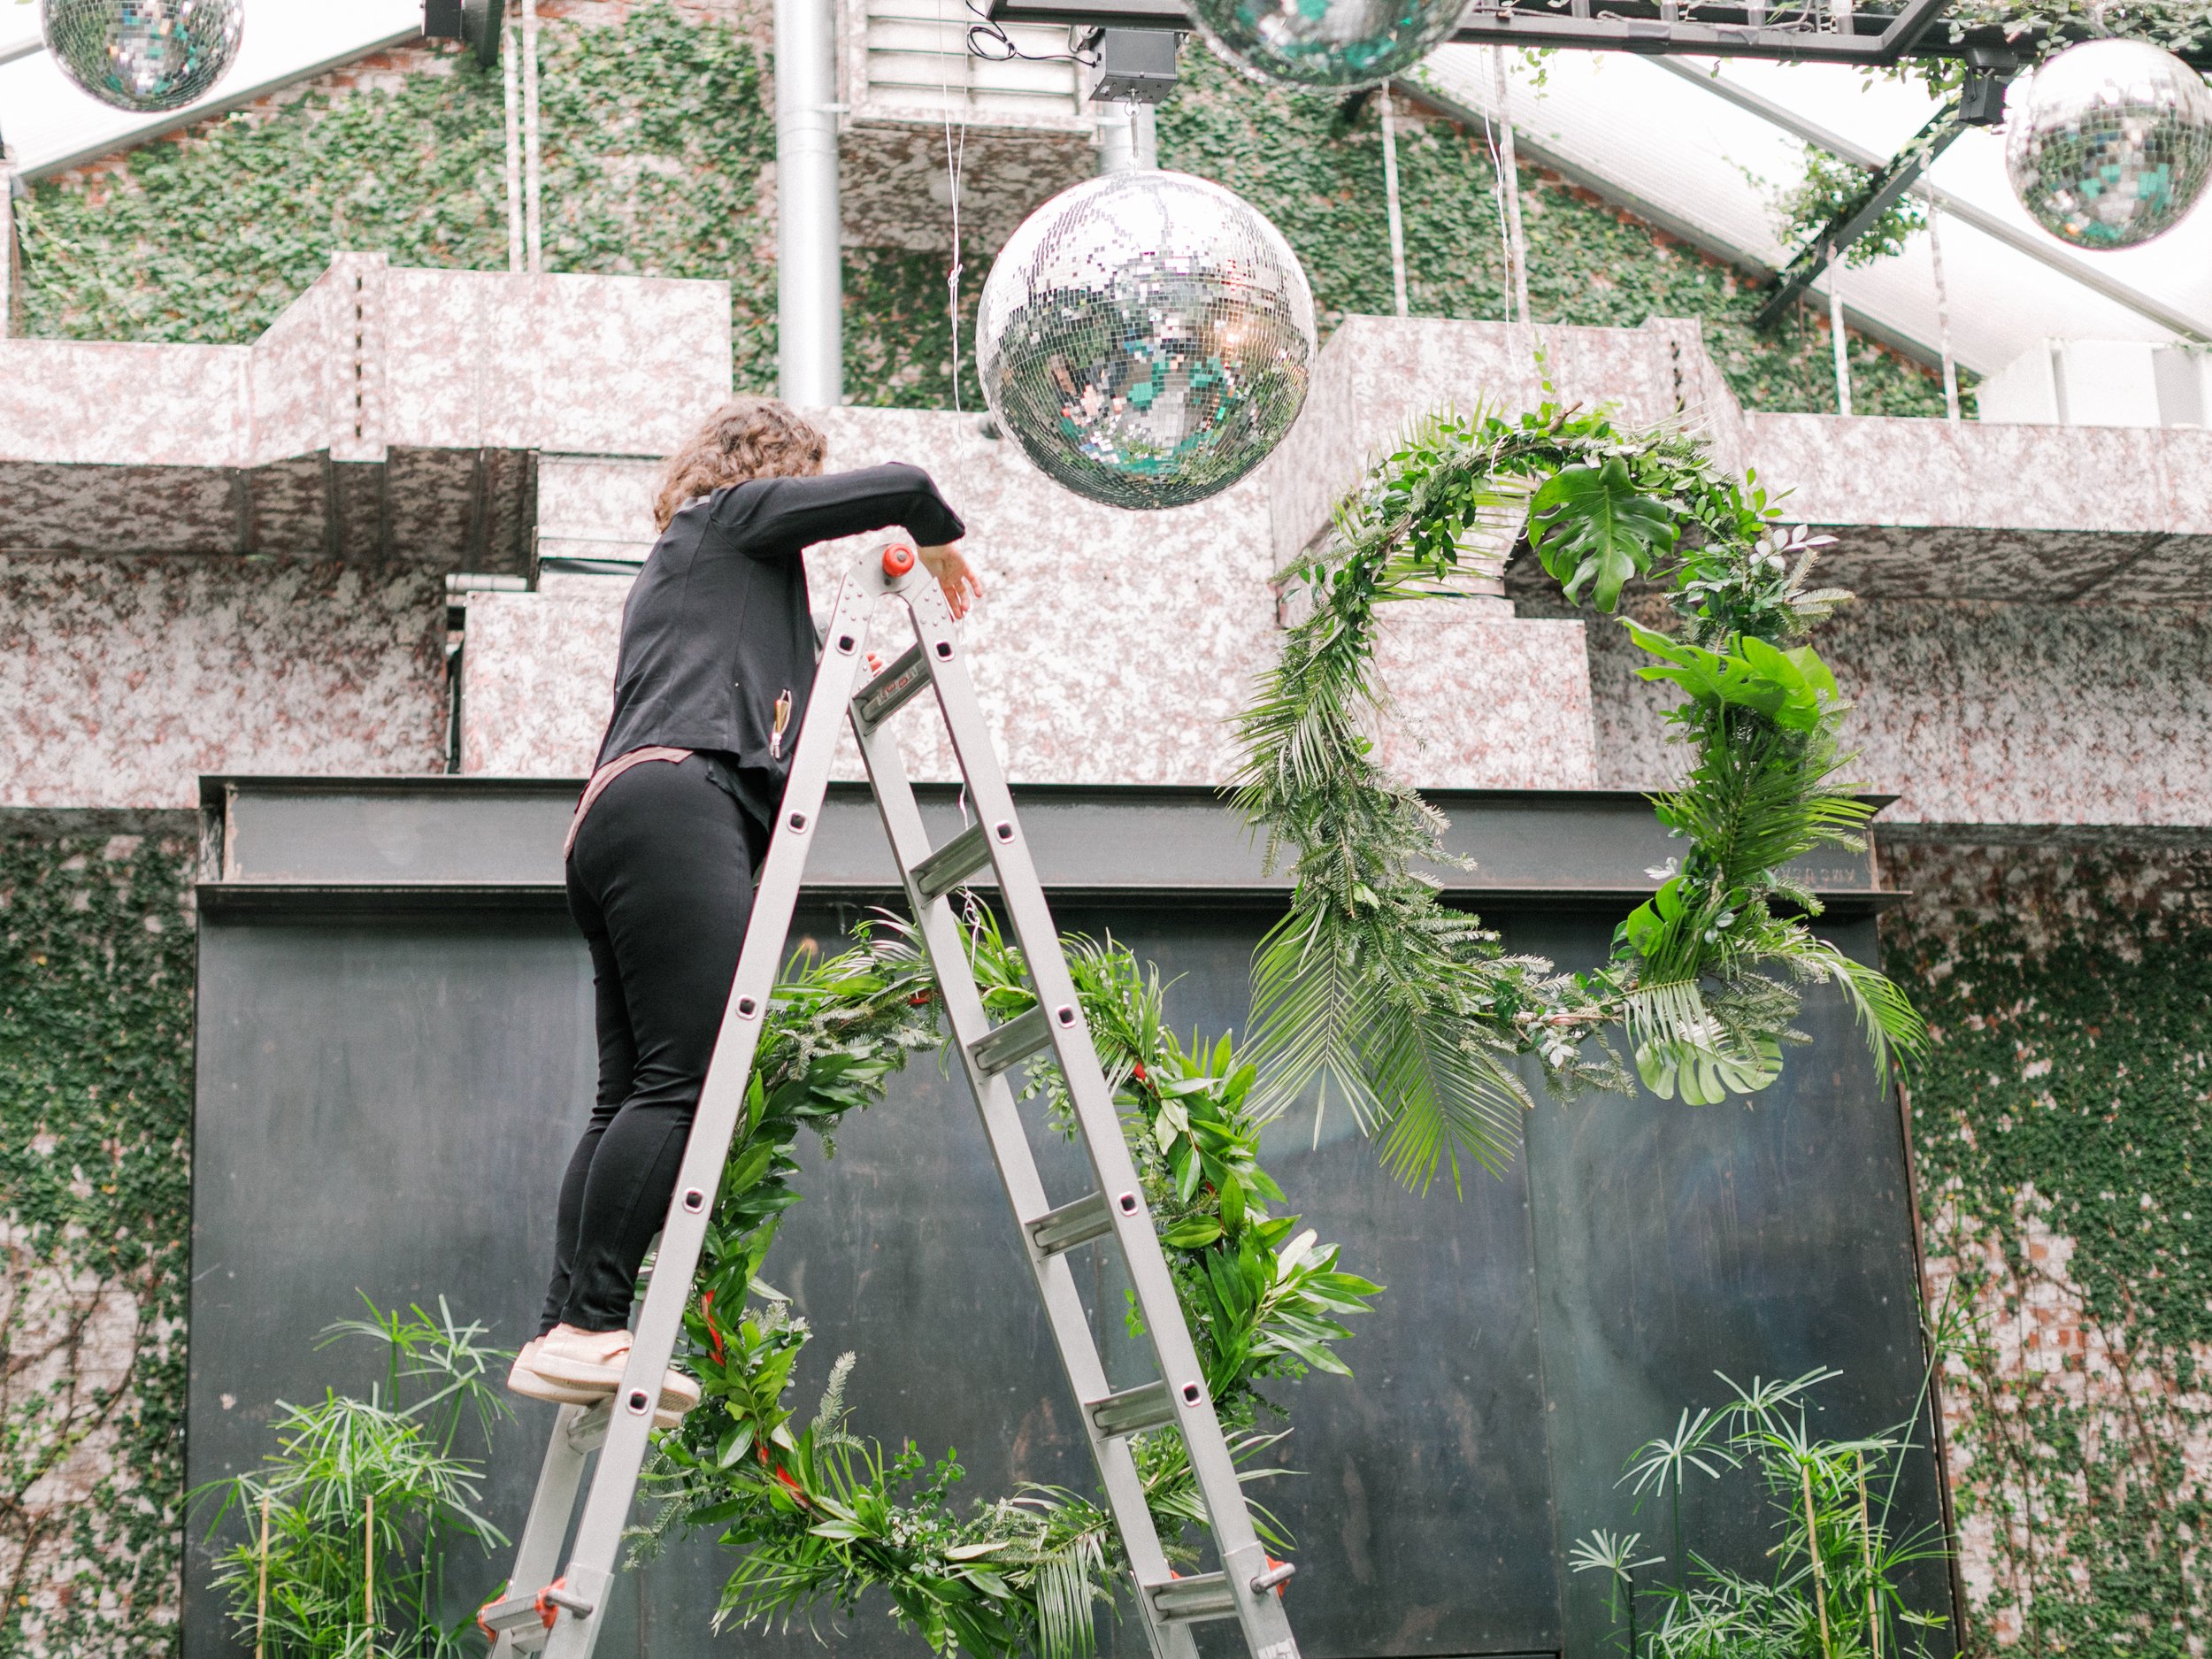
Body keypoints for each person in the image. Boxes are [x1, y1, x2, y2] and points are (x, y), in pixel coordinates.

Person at [506, 396, 978, 1409]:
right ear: (773, 468)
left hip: (622, 816)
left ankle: (566, 1331)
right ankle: (590, 1320)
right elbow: (899, 486)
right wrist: (936, 546)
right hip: (678, 805)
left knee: (630, 1089)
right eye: (803, 473)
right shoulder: (725, 520)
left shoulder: (706, 573)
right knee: (689, 1077)